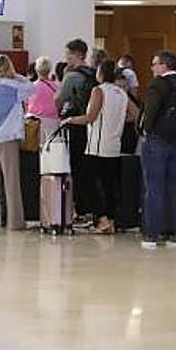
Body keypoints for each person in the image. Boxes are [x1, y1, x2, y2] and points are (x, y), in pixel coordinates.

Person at [62, 59, 137, 235]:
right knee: (110, 185)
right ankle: (110, 219)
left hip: (97, 145)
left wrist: (70, 120)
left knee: (89, 184)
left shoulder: (99, 90)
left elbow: (90, 117)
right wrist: (118, 121)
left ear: (101, 73)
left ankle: (101, 218)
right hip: (114, 145)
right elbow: (135, 114)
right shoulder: (121, 92)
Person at [139, 50, 176, 248]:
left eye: (154, 64)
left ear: (164, 66)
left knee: (154, 187)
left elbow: (150, 111)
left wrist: (145, 130)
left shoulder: (159, 83)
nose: (152, 68)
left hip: (157, 140)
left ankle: (152, 234)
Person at [0, 54, 35, 232]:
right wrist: (14, 74)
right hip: (7, 137)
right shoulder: (13, 86)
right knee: (11, 180)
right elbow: (31, 87)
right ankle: (15, 222)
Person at [55, 39, 96, 221]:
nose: (67, 58)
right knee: (89, 167)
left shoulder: (71, 77)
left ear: (78, 54)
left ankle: (80, 208)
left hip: (75, 125)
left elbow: (58, 99)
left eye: (69, 54)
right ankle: (91, 207)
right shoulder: (94, 74)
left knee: (76, 167)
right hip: (93, 126)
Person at [25, 56, 60, 143]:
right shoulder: (56, 87)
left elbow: (25, 105)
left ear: (36, 70)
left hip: (33, 123)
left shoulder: (30, 87)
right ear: (49, 70)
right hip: (52, 123)